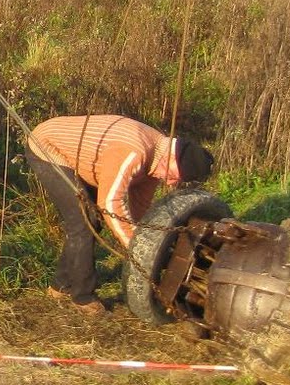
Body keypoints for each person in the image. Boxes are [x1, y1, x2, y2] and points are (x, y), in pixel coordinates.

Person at [26, 114, 215, 314]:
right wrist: (138, 252)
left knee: (92, 221)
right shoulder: (133, 150)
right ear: (173, 159)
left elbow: (138, 211)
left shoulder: (155, 165)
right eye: (174, 176)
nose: (170, 183)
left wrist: (150, 246)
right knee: (84, 222)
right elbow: (110, 203)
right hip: (47, 145)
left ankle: (60, 285)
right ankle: (83, 297)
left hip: (85, 160)